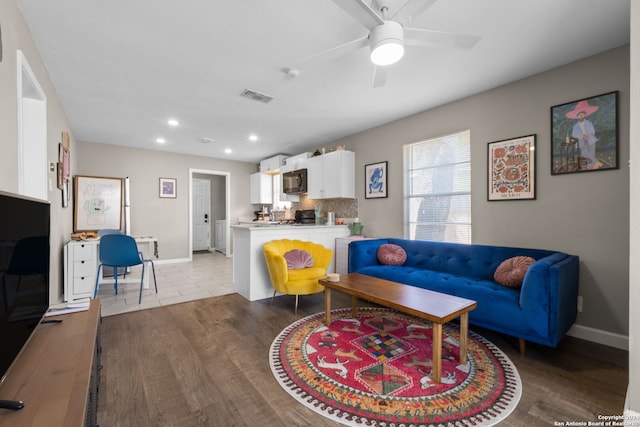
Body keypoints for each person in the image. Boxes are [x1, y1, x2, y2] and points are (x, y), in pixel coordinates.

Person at [565, 99, 603, 170]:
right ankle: (596, 162)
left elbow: (593, 131)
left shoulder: (589, 123)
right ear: (577, 117)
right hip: (581, 141)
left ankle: (591, 166)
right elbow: (574, 135)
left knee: (591, 152)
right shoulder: (575, 126)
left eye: (582, 114)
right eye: (579, 115)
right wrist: (582, 136)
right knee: (584, 153)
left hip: (590, 139)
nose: (581, 116)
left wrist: (588, 135)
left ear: (585, 115)